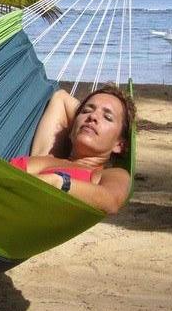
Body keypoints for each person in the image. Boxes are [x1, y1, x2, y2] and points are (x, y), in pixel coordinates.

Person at [10, 83, 136, 215]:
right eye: (86, 111)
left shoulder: (109, 174)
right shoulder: (46, 157)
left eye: (107, 117)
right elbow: (60, 98)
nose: (92, 117)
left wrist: (59, 182)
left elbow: (110, 201)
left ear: (119, 145)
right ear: (71, 129)